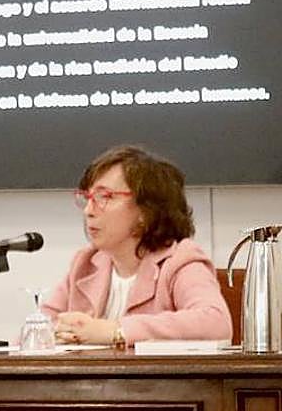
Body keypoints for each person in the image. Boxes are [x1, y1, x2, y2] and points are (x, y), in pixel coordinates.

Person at [42, 144, 232, 347]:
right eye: (88, 198)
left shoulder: (179, 261)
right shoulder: (86, 263)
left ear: (145, 210)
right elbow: (37, 330)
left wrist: (116, 330)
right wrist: (56, 333)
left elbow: (216, 323)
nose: (88, 210)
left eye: (104, 197)